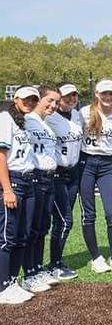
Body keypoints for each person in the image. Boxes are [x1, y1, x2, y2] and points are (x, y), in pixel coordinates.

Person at [80, 79, 112, 273]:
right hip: (86, 164)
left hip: (108, 165)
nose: (108, 97)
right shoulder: (83, 113)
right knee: (89, 213)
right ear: (97, 94)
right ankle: (96, 258)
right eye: (105, 93)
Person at [0, 87, 38, 304]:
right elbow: (1, 156)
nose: (30, 102)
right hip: (13, 180)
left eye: (33, 99)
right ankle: (2, 286)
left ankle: (12, 281)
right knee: (7, 236)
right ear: (15, 99)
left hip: (28, 180)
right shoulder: (5, 119)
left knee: (23, 235)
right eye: (26, 99)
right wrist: (7, 189)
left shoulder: (26, 121)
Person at [22, 85, 61, 293]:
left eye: (56, 102)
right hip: (35, 177)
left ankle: (37, 268)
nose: (53, 105)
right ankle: (28, 274)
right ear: (39, 99)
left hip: (49, 178)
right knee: (32, 228)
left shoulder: (46, 124)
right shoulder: (27, 121)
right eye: (50, 100)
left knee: (42, 227)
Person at [46, 83, 83, 280]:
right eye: (67, 96)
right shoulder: (50, 117)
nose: (71, 99)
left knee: (62, 221)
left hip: (73, 173)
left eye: (74, 95)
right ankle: (54, 264)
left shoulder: (77, 115)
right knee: (64, 220)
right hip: (56, 173)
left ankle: (55, 262)